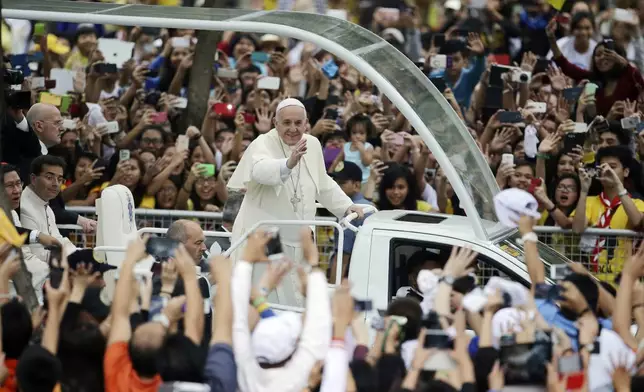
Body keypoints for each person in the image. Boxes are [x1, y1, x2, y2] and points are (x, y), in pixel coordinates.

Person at [227, 98, 364, 306]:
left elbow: (323, 183)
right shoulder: (262, 143)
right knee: (264, 300)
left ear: (306, 123)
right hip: (264, 241)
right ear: (276, 123)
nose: (293, 129)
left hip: (297, 239)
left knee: (295, 301)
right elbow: (260, 171)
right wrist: (288, 163)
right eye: (287, 123)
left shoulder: (313, 144)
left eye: (298, 123)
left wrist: (346, 206)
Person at [20, 155, 77, 262]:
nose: (56, 184)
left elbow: (59, 240)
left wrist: (79, 255)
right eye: (49, 178)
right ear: (33, 179)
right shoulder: (24, 207)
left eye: (60, 179)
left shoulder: (47, 207)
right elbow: (36, 254)